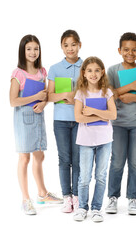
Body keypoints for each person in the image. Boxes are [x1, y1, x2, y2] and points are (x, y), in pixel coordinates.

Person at [10, 35, 63, 215]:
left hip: (38, 119)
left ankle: (42, 193)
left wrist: (43, 103)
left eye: (36, 49)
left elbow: (46, 94)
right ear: (22, 51)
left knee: (39, 156)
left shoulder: (42, 71)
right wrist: (35, 98)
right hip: (23, 120)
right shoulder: (18, 73)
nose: (33, 52)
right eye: (29, 49)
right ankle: (26, 199)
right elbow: (13, 101)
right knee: (24, 158)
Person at [105, 32, 136, 215]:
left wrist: (132, 98)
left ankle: (133, 199)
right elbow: (109, 95)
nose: (130, 53)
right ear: (119, 50)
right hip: (118, 123)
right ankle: (113, 198)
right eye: (126, 49)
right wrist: (131, 87)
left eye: (134, 50)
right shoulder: (113, 70)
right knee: (117, 161)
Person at [73, 57, 117, 222]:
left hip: (105, 140)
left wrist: (90, 111)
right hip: (85, 141)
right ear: (84, 73)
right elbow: (78, 117)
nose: (93, 74)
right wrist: (101, 115)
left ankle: (96, 208)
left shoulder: (107, 92)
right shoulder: (80, 93)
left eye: (97, 70)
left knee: (101, 175)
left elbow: (113, 115)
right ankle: (82, 208)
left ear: (102, 72)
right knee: (84, 177)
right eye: (89, 70)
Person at [48, 30, 82, 213]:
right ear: (62, 47)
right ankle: (66, 197)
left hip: (79, 119)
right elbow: (50, 96)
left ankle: (76, 196)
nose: (70, 48)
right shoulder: (55, 68)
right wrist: (66, 95)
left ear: (80, 45)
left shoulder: (86, 66)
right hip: (60, 120)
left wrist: (76, 98)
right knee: (64, 160)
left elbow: (91, 92)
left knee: (77, 160)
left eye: (73, 44)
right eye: (66, 45)